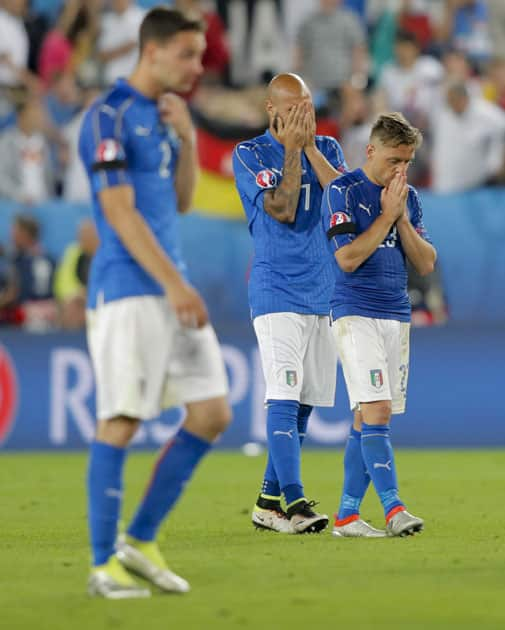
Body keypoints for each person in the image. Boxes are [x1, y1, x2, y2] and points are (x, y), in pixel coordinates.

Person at [79, 7, 231, 599]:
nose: (198, 66)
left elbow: (183, 200)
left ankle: (139, 541)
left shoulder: (165, 117)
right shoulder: (108, 115)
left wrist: (189, 138)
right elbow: (118, 211)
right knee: (121, 419)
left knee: (212, 413)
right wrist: (173, 284)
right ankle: (101, 564)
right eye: (189, 55)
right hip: (129, 290)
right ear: (153, 52)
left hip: (170, 286)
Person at [233, 73, 347, 535]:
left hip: (323, 291)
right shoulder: (250, 153)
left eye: (309, 109)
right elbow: (281, 208)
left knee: (303, 402)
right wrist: (293, 151)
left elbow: (344, 198)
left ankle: (266, 503)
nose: (305, 118)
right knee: (283, 391)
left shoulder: (330, 148)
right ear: (271, 111)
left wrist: (310, 146)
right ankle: (296, 503)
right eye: (294, 110)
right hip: (276, 288)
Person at [322, 112, 436, 538]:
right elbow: (347, 259)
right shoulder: (343, 191)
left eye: (407, 162)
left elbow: (424, 263)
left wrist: (401, 217)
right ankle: (394, 509)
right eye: (393, 161)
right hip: (355, 312)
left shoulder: (408, 198)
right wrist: (386, 218)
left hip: (396, 315)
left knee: (364, 417)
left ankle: (348, 515)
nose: (400, 171)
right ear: (370, 151)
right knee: (378, 409)